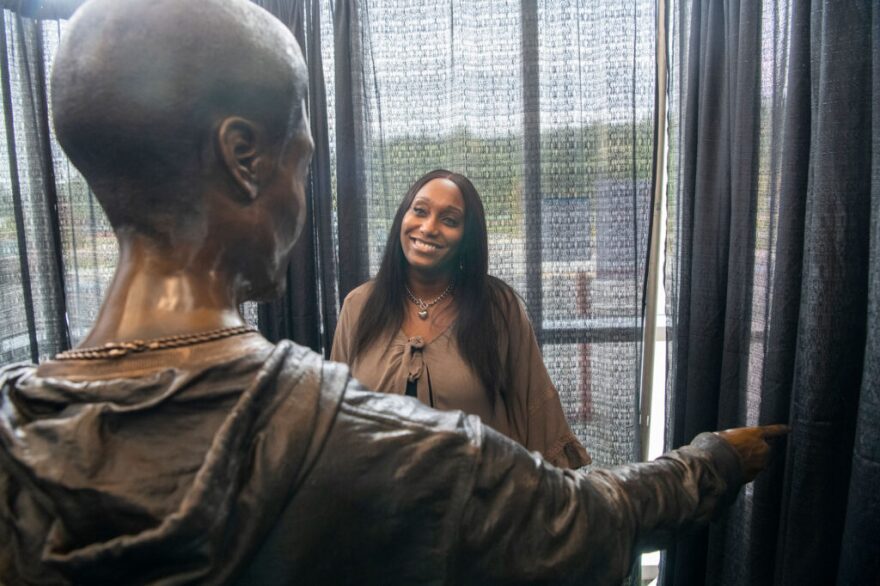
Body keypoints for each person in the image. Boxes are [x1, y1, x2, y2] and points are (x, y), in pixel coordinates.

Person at [0, 0, 787, 584]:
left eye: (450, 218)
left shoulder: (17, 431)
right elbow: (587, 522)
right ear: (244, 157)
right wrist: (714, 459)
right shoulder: (381, 445)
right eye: (300, 162)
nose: (302, 193)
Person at [331, 170, 590, 468]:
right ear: (403, 217)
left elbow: (539, 420)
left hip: (478, 509)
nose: (428, 227)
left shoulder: (498, 309)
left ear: (467, 238)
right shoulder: (358, 306)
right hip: (380, 509)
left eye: (449, 220)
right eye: (420, 211)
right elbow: (338, 423)